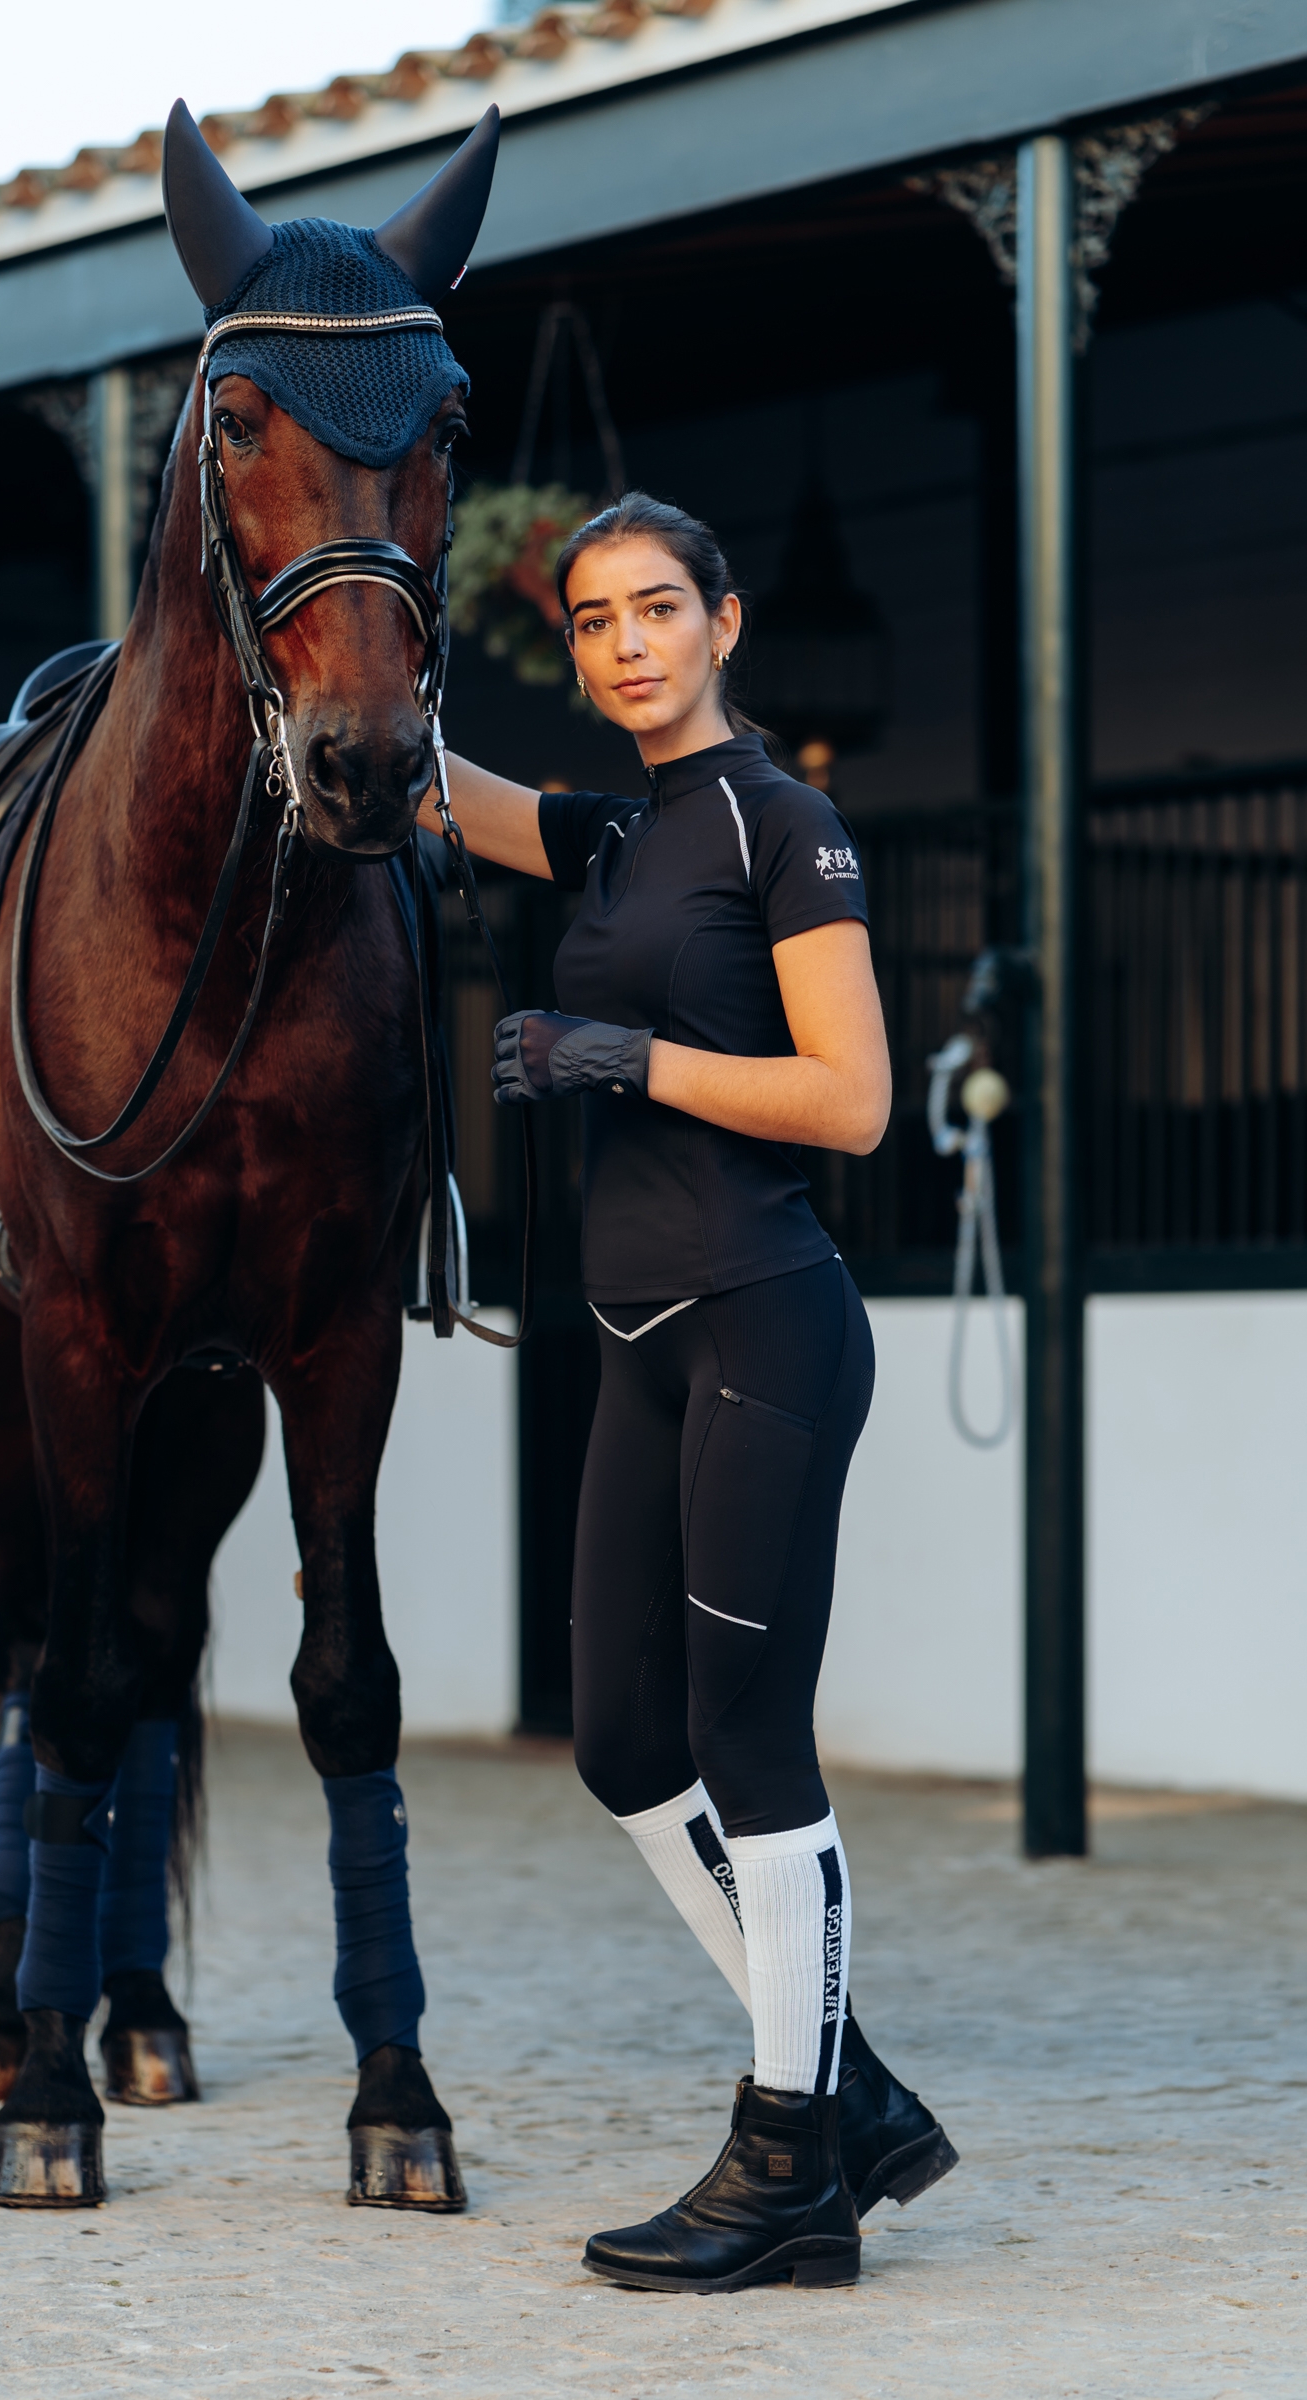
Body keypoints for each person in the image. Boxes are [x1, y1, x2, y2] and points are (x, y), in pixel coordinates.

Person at [420, 492, 956, 2293]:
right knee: (626, 1749)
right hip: (639, 1335)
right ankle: (850, 2094)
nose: (627, 642)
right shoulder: (604, 837)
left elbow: (854, 1100)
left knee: (748, 1743)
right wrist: (309, 592)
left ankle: (789, 2154)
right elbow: (427, 781)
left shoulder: (779, 823)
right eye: (592, 621)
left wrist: (623, 1054)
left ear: (725, 624)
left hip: (764, 1318)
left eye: (659, 608)